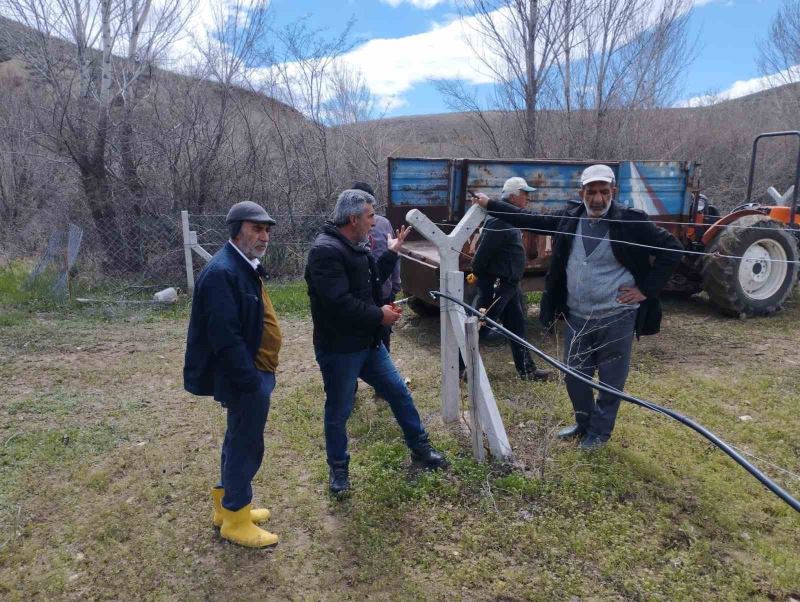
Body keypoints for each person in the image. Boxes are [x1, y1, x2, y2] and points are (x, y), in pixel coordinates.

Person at [474, 164, 682, 450]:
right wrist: (490, 204)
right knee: (575, 377)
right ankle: (583, 423)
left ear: (614, 192)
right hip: (577, 316)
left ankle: (599, 433)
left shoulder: (631, 221)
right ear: (581, 192)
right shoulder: (570, 217)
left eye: (603, 192)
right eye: (591, 192)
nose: (597, 199)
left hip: (616, 317)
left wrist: (645, 290)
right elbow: (529, 219)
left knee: (610, 381)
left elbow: (672, 248)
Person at [305, 188, 448, 495]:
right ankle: (339, 471)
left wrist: (392, 251)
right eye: (370, 216)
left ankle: (421, 450)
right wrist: (378, 315)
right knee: (339, 411)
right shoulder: (325, 251)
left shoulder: (358, 245)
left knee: (398, 393)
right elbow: (338, 303)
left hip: (369, 344)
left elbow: (370, 283)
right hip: (340, 348)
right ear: (353, 218)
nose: (375, 221)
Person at [183, 201, 282, 548]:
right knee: (245, 444)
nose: (264, 236)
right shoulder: (222, 272)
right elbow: (225, 339)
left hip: (252, 374)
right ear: (237, 229)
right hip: (245, 377)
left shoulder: (243, 266)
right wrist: (250, 382)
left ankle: (227, 507)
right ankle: (236, 520)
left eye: (267, 229)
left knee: (236, 438)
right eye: (257, 228)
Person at [471, 176, 551, 381]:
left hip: (509, 284)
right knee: (481, 326)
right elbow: (481, 256)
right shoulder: (500, 220)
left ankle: (527, 371)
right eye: (525, 194)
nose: (527, 199)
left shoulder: (507, 216)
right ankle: (461, 368)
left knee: (517, 326)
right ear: (514, 197)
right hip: (498, 284)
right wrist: (485, 280)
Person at [352, 181, 402, 351]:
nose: (372, 223)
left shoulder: (382, 224)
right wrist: (395, 285)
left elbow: (393, 252)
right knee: (379, 340)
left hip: (378, 293)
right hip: (378, 293)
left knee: (380, 340)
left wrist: (394, 284)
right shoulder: (382, 223)